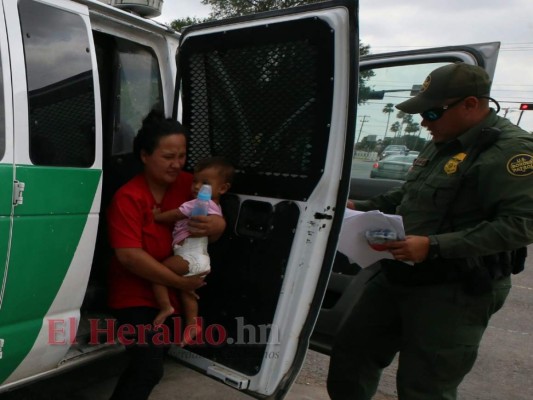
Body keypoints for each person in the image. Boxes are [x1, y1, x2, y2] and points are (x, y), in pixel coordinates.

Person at [327, 62, 533, 400]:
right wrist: (360, 208)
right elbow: (409, 195)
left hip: (454, 289)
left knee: (425, 387)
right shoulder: (443, 139)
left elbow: (520, 225)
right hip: (399, 275)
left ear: (470, 104)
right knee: (352, 356)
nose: (424, 122)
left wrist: (434, 246)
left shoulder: (512, 152)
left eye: (432, 113)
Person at [106, 110, 226, 400]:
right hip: (135, 293)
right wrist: (182, 284)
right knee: (149, 368)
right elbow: (129, 257)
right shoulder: (128, 197)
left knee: (149, 363)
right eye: (168, 156)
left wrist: (217, 225)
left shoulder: (192, 185)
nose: (177, 164)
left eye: (182, 156)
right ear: (145, 156)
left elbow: (215, 223)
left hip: (173, 292)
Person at [151, 156, 234, 340]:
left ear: (222, 188)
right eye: (195, 181)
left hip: (189, 258)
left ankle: (165, 306)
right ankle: (192, 325)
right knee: (186, 292)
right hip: (202, 261)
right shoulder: (216, 207)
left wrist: (157, 216)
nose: (196, 186)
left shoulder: (197, 204)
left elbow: (175, 214)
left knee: (157, 273)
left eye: (205, 183)